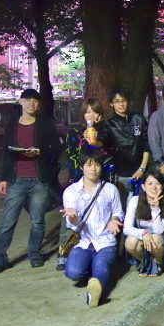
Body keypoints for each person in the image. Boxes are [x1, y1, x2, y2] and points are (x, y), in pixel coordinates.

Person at [0, 88, 61, 274]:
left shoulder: (45, 123)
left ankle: (34, 254)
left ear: (39, 104)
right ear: (21, 102)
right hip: (17, 179)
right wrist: (4, 178)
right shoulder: (12, 124)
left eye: (35, 101)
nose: (32, 104)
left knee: (37, 221)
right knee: (8, 221)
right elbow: (6, 151)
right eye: (28, 100)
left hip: (39, 179)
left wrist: (40, 152)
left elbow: (56, 147)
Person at [61, 150, 124, 307]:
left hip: (105, 241)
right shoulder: (71, 192)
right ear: (81, 167)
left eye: (97, 165)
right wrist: (73, 217)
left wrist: (114, 220)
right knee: (73, 272)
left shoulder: (110, 189)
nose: (93, 169)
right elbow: (72, 224)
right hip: (84, 242)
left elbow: (118, 212)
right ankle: (90, 268)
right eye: (89, 165)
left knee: (101, 267)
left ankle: (94, 292)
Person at [58, 98, 109, 271]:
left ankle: (98, 252)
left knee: (98, 216)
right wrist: (74, 179)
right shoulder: (74, 132)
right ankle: (63, 253)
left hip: (99, 181)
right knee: (71, 216)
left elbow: (106, 153)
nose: (91, 115)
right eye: (87, 112)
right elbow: (71, 156)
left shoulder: (104, 132)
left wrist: (95, 140)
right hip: (78, 179)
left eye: (94, 112)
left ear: (100, 115)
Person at [100, 87, 150, 206]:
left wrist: (142, 168)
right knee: (121, 207)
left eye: (123, 100)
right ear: (112, 104)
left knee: (140, 207)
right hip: (120, 174)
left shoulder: (139, 119)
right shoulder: (110, 124)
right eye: (117, 101)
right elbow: (101, 143)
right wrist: (93, 140)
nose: (121, 104)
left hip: (140, 172)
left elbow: (146, 144)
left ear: (128, 101)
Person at [123, 171, 164, 277]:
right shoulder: (135, 201)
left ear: (163, 186)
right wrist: (143, 233)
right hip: (144, 237)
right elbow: (127, 228)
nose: (154, 187)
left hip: (162, 241)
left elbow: (158, 231)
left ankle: (159, 262)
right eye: (150, 183)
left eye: (157, 183)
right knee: (130, 241)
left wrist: (155, 209)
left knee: (155, 238)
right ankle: (146, 263)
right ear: (143, 187)